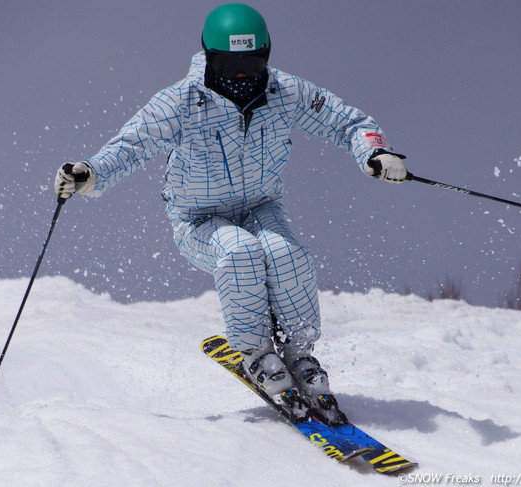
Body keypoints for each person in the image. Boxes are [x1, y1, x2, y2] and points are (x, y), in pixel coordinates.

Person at [54, 3, 407, 426]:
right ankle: (259, 356)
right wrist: (89, 174)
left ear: (267, 56)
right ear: (209, 56)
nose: (241, 74)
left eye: (251, 62)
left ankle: (299, 352)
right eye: (228, 63)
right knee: (240, 253)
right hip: (198, 220)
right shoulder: (180, 102)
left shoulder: (285, 91)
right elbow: (130, 147)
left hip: (260, 208)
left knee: (286, 255)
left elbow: (347, 122)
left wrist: (376, 151)